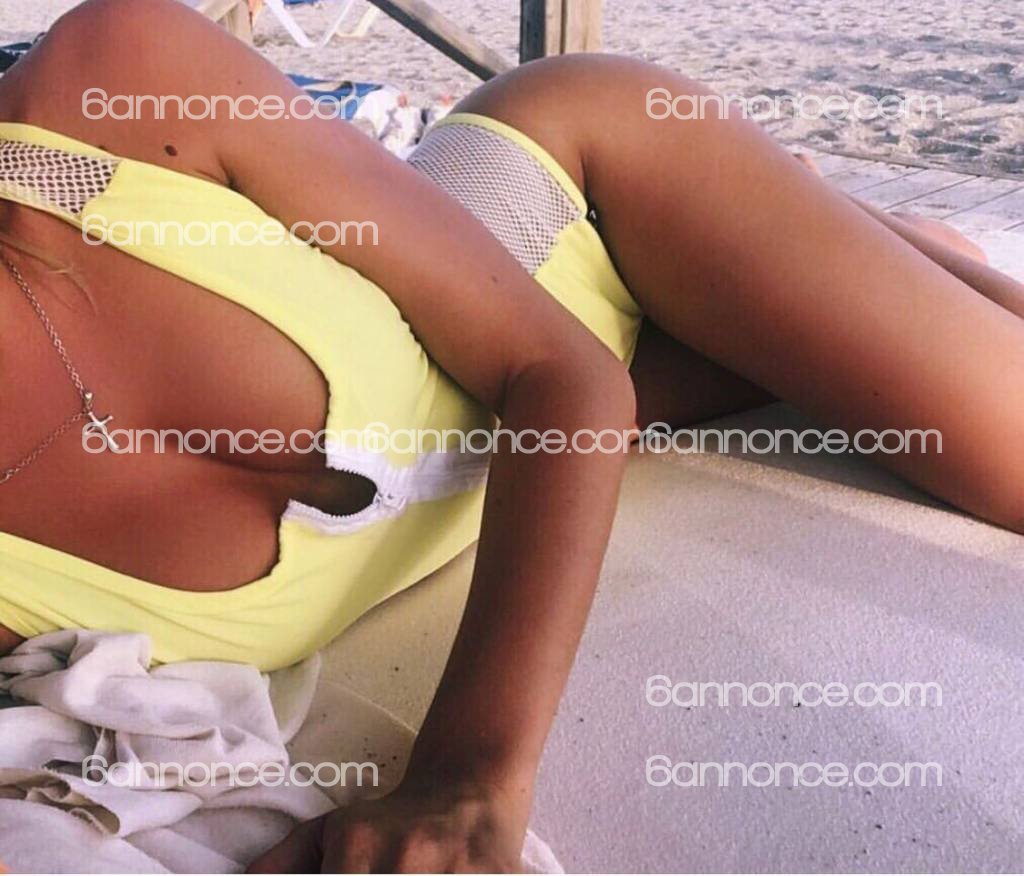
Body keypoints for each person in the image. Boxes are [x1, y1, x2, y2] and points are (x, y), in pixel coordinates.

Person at [0, 0, 1021, 871]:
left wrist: (467, 775)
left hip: (584, 200)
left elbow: (561, 376)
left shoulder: (109, 89)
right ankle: (858, 239)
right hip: (570, 390)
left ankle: (795, 224)